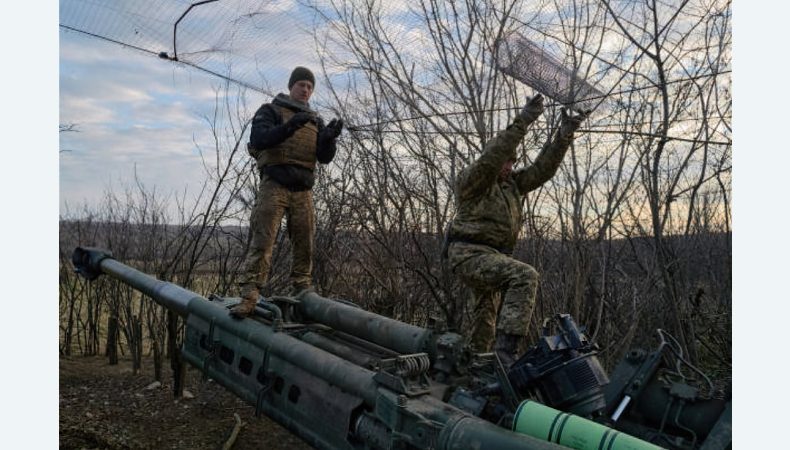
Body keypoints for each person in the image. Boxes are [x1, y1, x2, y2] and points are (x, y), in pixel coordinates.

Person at [444, 94, 588, 366]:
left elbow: (542, 169)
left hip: (493, 256)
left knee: (485, 318)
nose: (509, 167)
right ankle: (506, 354)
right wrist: (524, 120)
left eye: (512, 162)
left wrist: (565, 134)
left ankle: (476, 366)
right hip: (467, 254)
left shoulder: (512, 185)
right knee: (524, 276)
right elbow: (492, 157)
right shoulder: (473, 181)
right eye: (506, 162)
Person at [231, 66, 344, 317]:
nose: (306, 90)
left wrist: (329, 139)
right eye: (301, 84)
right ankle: (249, 296)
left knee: (305, 244)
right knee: (263, 241)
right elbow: (260, 139)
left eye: (310, 87)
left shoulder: (315, 120)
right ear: (291, 86)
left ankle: (303, 293)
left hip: (303, 190)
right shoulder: (270, 110)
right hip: (275, 185)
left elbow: (324, 158)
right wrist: (291, 125)